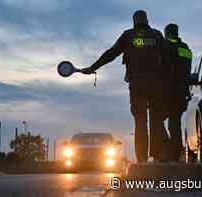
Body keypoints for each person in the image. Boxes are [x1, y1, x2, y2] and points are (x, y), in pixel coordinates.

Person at [82, 10, 167, 162]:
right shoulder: (157, 35)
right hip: (157, 85)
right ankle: (157, 155)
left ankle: (141, 159)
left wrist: (93, 67)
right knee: (156, 121)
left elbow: (111, 53)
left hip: (137, 85)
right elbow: (168, 59)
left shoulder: (128, 35)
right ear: (147, 20)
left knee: (140, 122)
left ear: (134, 21)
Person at [163, 23, 192, 161]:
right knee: (175, 123)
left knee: (157, 121)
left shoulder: (166, 47)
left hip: (169, 92)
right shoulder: (186, 49)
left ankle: (171, 151)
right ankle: (177, 152)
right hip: (183, 92)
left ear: (167, 33)